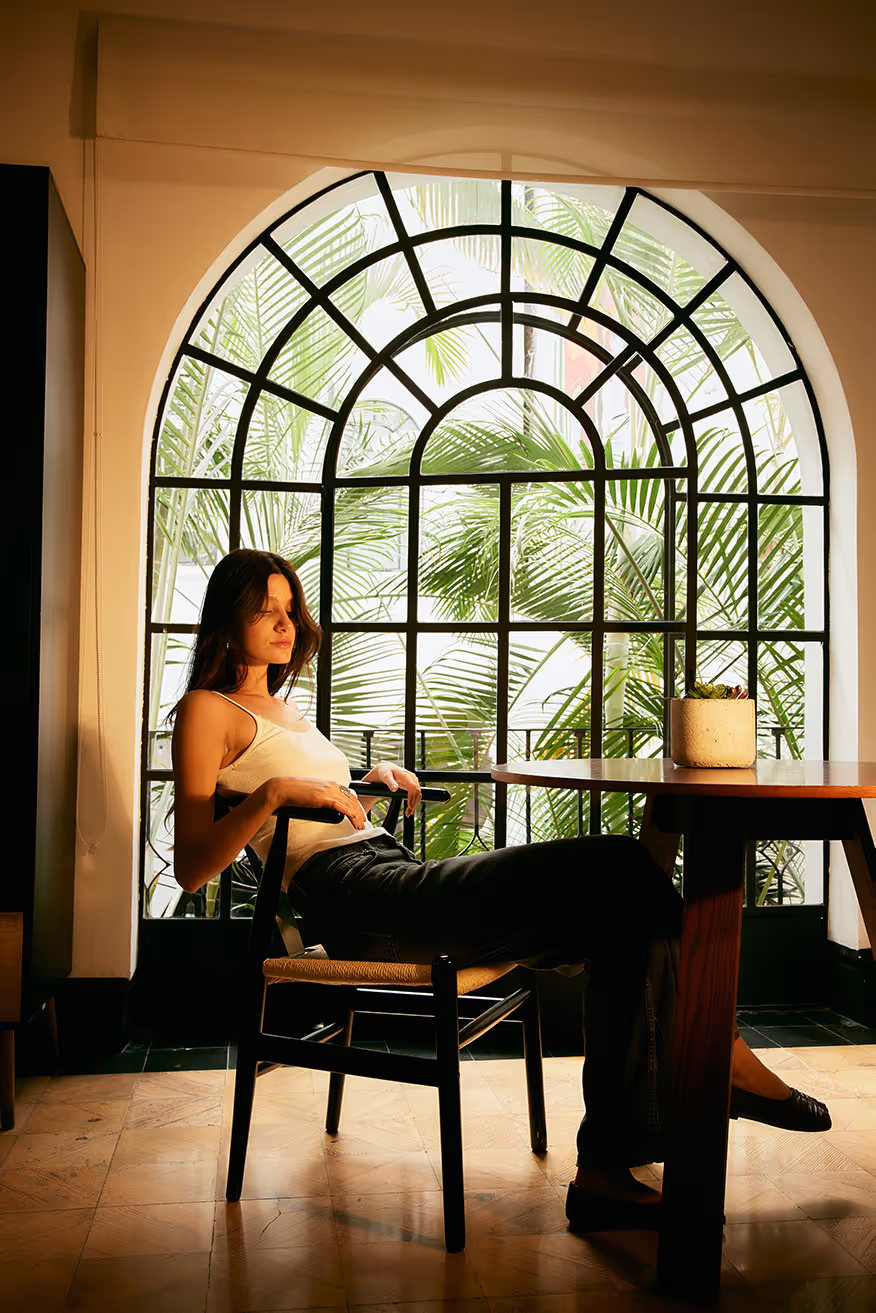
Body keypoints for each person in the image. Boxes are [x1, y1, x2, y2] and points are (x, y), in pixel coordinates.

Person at [171, 548, 831, 1231]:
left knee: (628, 912)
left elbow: (315, 794)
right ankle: (722, 1058)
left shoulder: (282, 707)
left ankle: (608, 1169)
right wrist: (273, 793)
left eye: (290, 608)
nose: (286, 623)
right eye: (265, 610)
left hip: (384, 870)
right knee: (622, 865)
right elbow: (193, 864)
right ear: (227, 620)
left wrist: (368, 779)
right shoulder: (204, 710)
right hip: (358, 897)